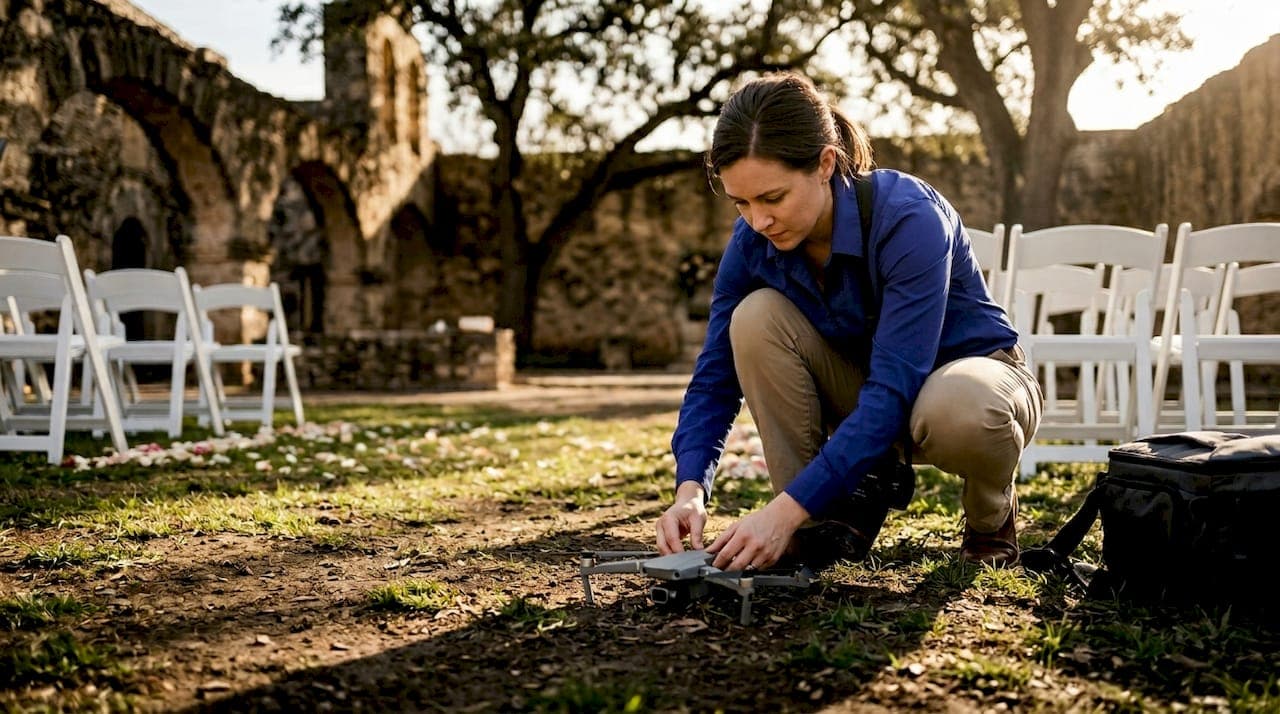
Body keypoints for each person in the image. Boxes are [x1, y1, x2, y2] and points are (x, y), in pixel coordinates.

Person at [655, 72, 1043, 572]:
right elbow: (714, 378)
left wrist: (780, 511)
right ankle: (815, 525)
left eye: (773, 198)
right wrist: (690, 489)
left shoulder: (909, 216)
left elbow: (896, 384)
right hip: (868, 391)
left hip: (971, 383)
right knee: (753, 319)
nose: (758, 221)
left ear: (825, 164)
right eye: (741, 203)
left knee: (962, 406)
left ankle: (991, 518)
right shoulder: (753, 241)